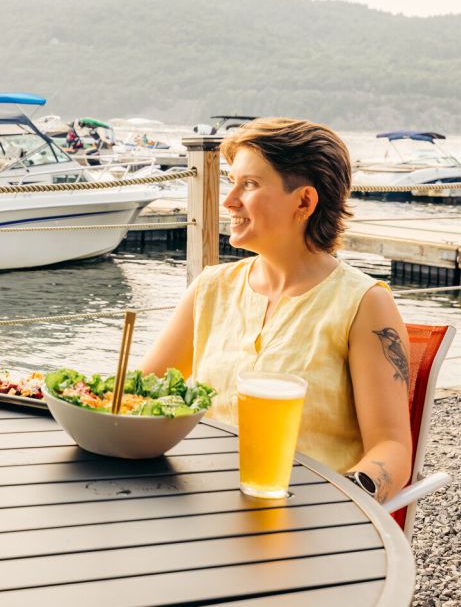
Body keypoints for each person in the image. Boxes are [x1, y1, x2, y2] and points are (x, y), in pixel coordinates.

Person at [139, 118, 411, 503]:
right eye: (231, 182)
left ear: (304, 201)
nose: (229, 200)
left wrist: (343, 502)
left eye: (249, 184)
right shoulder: (211, 288)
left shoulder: (365, 303)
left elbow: (392, 449)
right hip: (202, 501)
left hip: (306, 517)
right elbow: (138, 396)